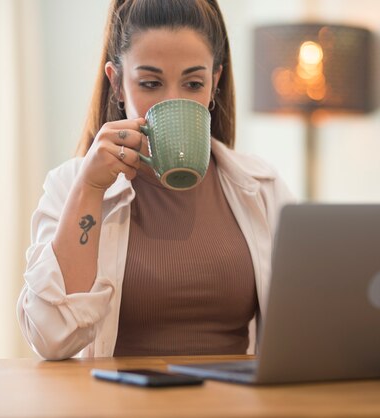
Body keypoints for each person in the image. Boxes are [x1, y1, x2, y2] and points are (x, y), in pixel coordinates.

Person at [17, 0, 295, 360]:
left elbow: (307, 325)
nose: (173, 100)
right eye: (150, 83)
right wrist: (90, 188)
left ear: (214, 84)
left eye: (193, 83)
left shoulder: (263, 187)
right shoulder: (70, 185)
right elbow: (51, 339)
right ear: (117, 84)